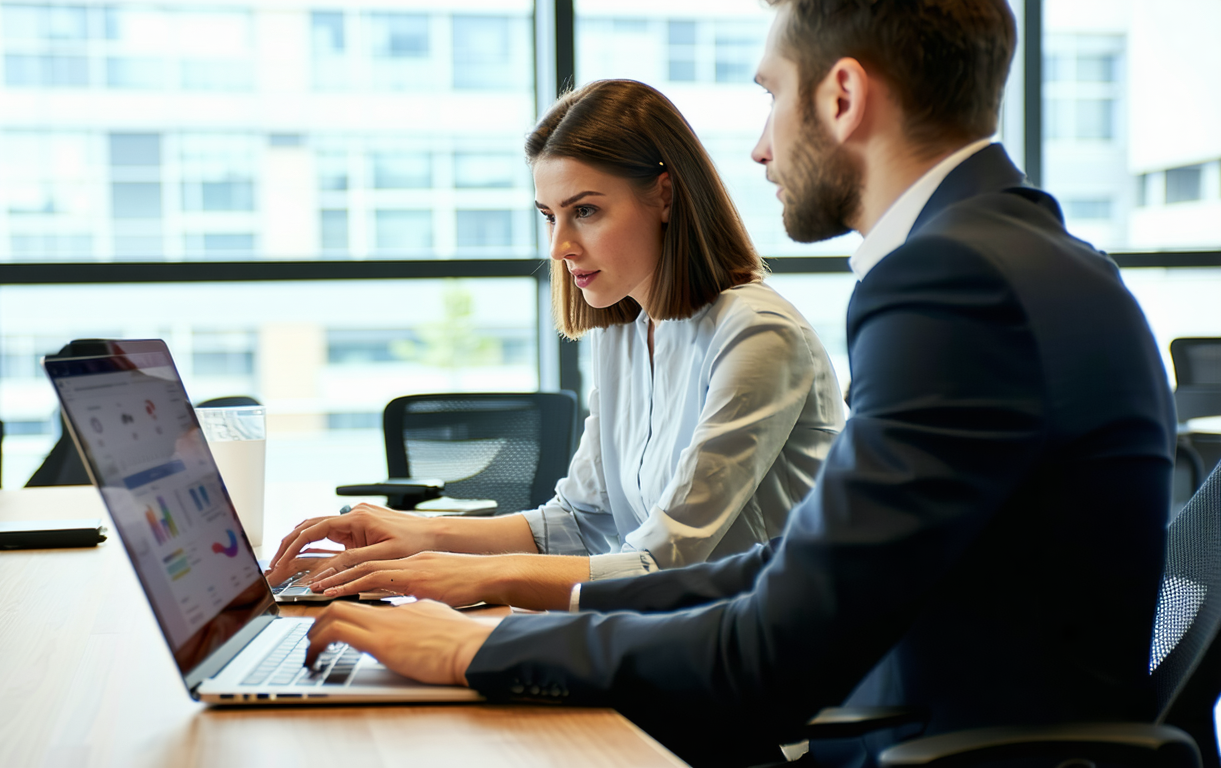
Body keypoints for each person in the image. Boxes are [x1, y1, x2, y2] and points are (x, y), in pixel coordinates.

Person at [294, 1, 1177, 765]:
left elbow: (771, 649)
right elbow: (779, 572)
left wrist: (482, 647)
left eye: (770, 96)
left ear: (841, 96)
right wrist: (496, 608)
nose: (758, 149)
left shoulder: (954, 284)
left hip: (910, 742)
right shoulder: (1019, 257)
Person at [267, 79, 844, 611]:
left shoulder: (756, 333)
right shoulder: (624, 329)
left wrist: (474, 575)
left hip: (758, 661)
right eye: (549, 216)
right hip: (676, 636)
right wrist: (416, 535)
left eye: (585, 211)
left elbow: (664, 565)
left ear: (665, 196)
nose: (560, 246)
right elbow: (580, 520)